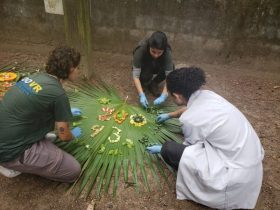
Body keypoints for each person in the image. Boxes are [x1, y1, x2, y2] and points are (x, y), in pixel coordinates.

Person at [146, 67, 264, 209]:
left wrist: (163, 148)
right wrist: (170, 115)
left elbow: (191, 148)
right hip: (250, 158)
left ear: (177, 96)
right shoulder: (208, 95)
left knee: (170, 149)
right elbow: (192, 107)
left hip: (234, 175)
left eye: (171, 95)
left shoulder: (190, 120)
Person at [0, 46, 83, 182]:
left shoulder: (35, 77)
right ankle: (9, 164)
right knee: (72, 170)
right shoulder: (58, 94)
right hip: (9, 151)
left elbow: (33, 106)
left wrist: (64, 112)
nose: (79, 71)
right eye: (78, 67)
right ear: (70, 69)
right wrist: (72, 135)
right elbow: (64, 135)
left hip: (6, 133)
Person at [132, 31, 174, 108]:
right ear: (149, 47)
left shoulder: (167, 52)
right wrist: (141, 94)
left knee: (172, 67)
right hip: (145, 64)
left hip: (158, 65)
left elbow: (170, 76)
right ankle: (144, 83)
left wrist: (164, 94)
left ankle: (154, 83)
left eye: (159, 52)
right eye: (153, 51)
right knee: (145, 76)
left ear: (164, 50)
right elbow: (135, 75)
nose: (156, 55)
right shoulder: (140, 50)